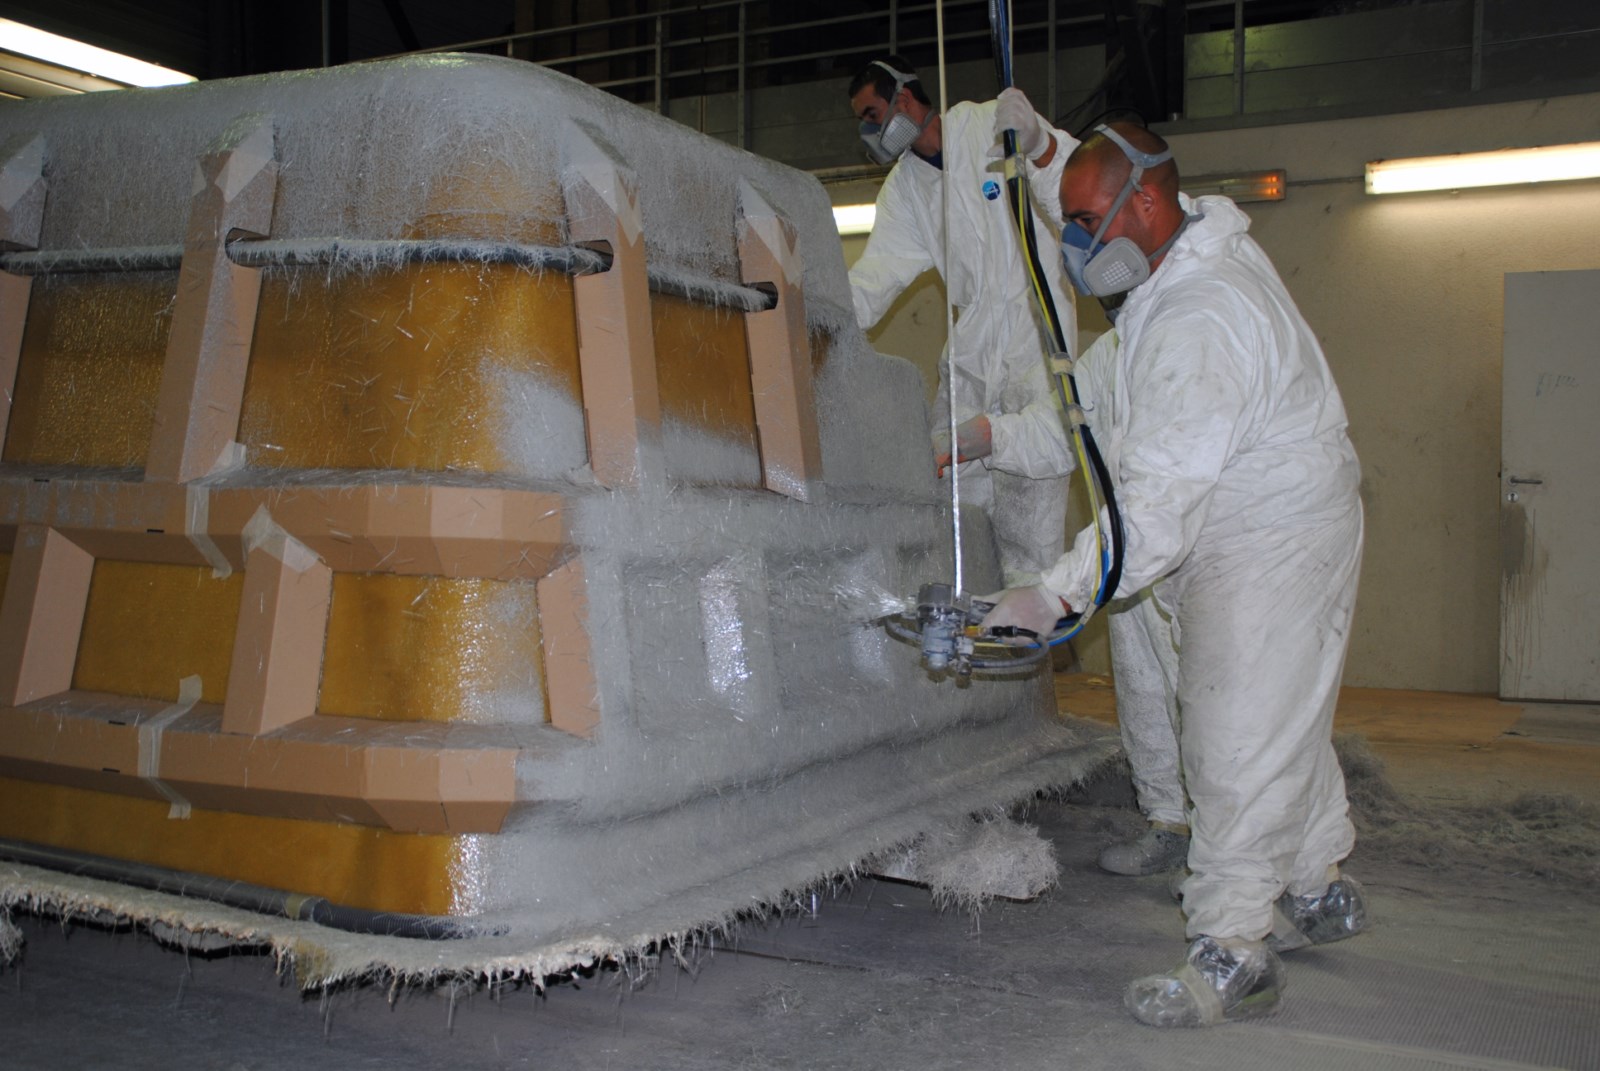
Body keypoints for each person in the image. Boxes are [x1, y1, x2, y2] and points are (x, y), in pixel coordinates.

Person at [981, 106, 1369, 1027]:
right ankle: (1318, 884)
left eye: (1083, 225)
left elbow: (1149, 508)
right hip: (1248, 518)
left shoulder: (1200, 313)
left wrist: (1054, 591)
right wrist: (1042, 154)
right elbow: (1101, 411)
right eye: (1067, 222)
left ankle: (1236, 949)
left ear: (1149, 207)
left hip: (1270, 534)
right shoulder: (1174, 272)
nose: (1074, 244)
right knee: (1280, 712)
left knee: (1234, 737)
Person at [847, 58, 1078, 587]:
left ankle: (1028, 625)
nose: (867, 129)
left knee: (1032, 494)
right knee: (949, 498)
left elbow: (1076, 182)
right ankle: (962, 615)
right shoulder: (904, 190)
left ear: (904, 101)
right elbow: (875, 278)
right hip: (971, 346)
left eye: (871, 113)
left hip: (1036, 332)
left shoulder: (989, 126)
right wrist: (812, 312)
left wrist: (1040, 142)